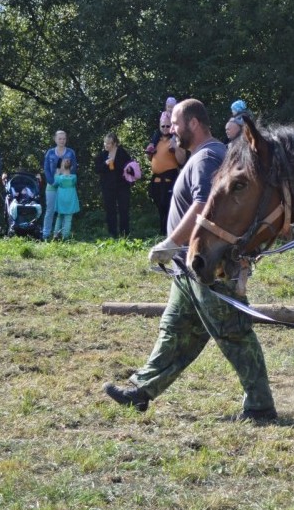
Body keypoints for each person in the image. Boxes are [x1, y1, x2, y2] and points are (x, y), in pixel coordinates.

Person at [103, 98, 276, 420]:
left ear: (193, 124)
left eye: (176, 124)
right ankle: (141, 390)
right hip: (188, 267)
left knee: (233, 332)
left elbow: (203, 206)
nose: (170, 130)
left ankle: (261, 406)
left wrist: (171, 242)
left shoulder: (209, 158)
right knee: (174, 330)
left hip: (208, 266)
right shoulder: (200, 157)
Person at [148, 111, 183, 235]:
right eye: (163, 126)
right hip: (156, 178)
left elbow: (182, 160)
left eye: (168, 126)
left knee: (167, 205)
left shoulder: (176, 139)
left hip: (170, 177)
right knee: (160, 205)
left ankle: (169, 232)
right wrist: (150, 152)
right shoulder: (155, 140)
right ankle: (162, 231)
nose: (165, 129)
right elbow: (151, 159)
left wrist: (176, 149)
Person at [94, 132, 135, 237]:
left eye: (109, 143)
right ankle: (113, 234)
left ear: (115, 143)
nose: (106, 145)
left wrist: (125, 167)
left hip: (122, 186)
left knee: (124, 209)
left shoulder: (122, 153)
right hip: (108, 187)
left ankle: (125, 233)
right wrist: (105, 164)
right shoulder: (102, 155)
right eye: (105, 143)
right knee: (110, 210)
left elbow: (129, 166)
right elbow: (97, 169)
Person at [42, 130, 78, 240]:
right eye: (60, 138)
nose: (62, 141)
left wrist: (65, 179)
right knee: (50, 210)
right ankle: (46, 234)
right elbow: (46, 169)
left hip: (66, 186)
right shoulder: (50, 152)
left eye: (64, 138)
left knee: (64, 211)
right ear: (55, 139)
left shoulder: (70, 152)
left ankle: (61, 235)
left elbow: (74, 168)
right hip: (52, 184)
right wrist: (52, 181)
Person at [51, 158, 80, 240]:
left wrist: (57, 172)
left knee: (59, 217)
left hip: (61, 199)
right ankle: (65, 237)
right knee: (68, 218)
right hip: (70, 199)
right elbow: (74, 183)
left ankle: (55, 235)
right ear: (70, 167)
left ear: (62, 166)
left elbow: (55, 184)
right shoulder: (74, 177)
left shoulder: (59, 177)